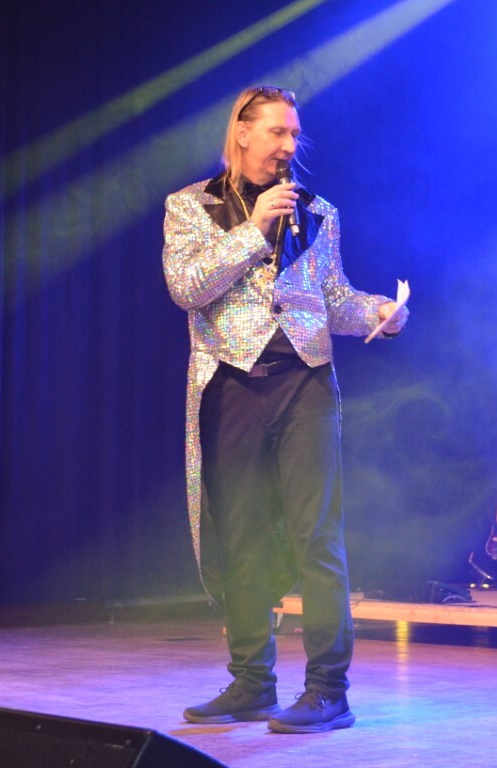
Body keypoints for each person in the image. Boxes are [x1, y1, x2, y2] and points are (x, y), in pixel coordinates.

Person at [162, 85, 408, 734]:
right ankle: (252, 684)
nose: (289, 145)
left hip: (304, 382)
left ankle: (328, 690)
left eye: (295, 133)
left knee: (316, 535)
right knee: (241, 536)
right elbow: (187, 288)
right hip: (231, 385)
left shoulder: (318, 211)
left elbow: (332, 298)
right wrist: (254, 230)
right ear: (242, 133)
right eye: (277, 132)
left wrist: (379, 313)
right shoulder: (190, 206)